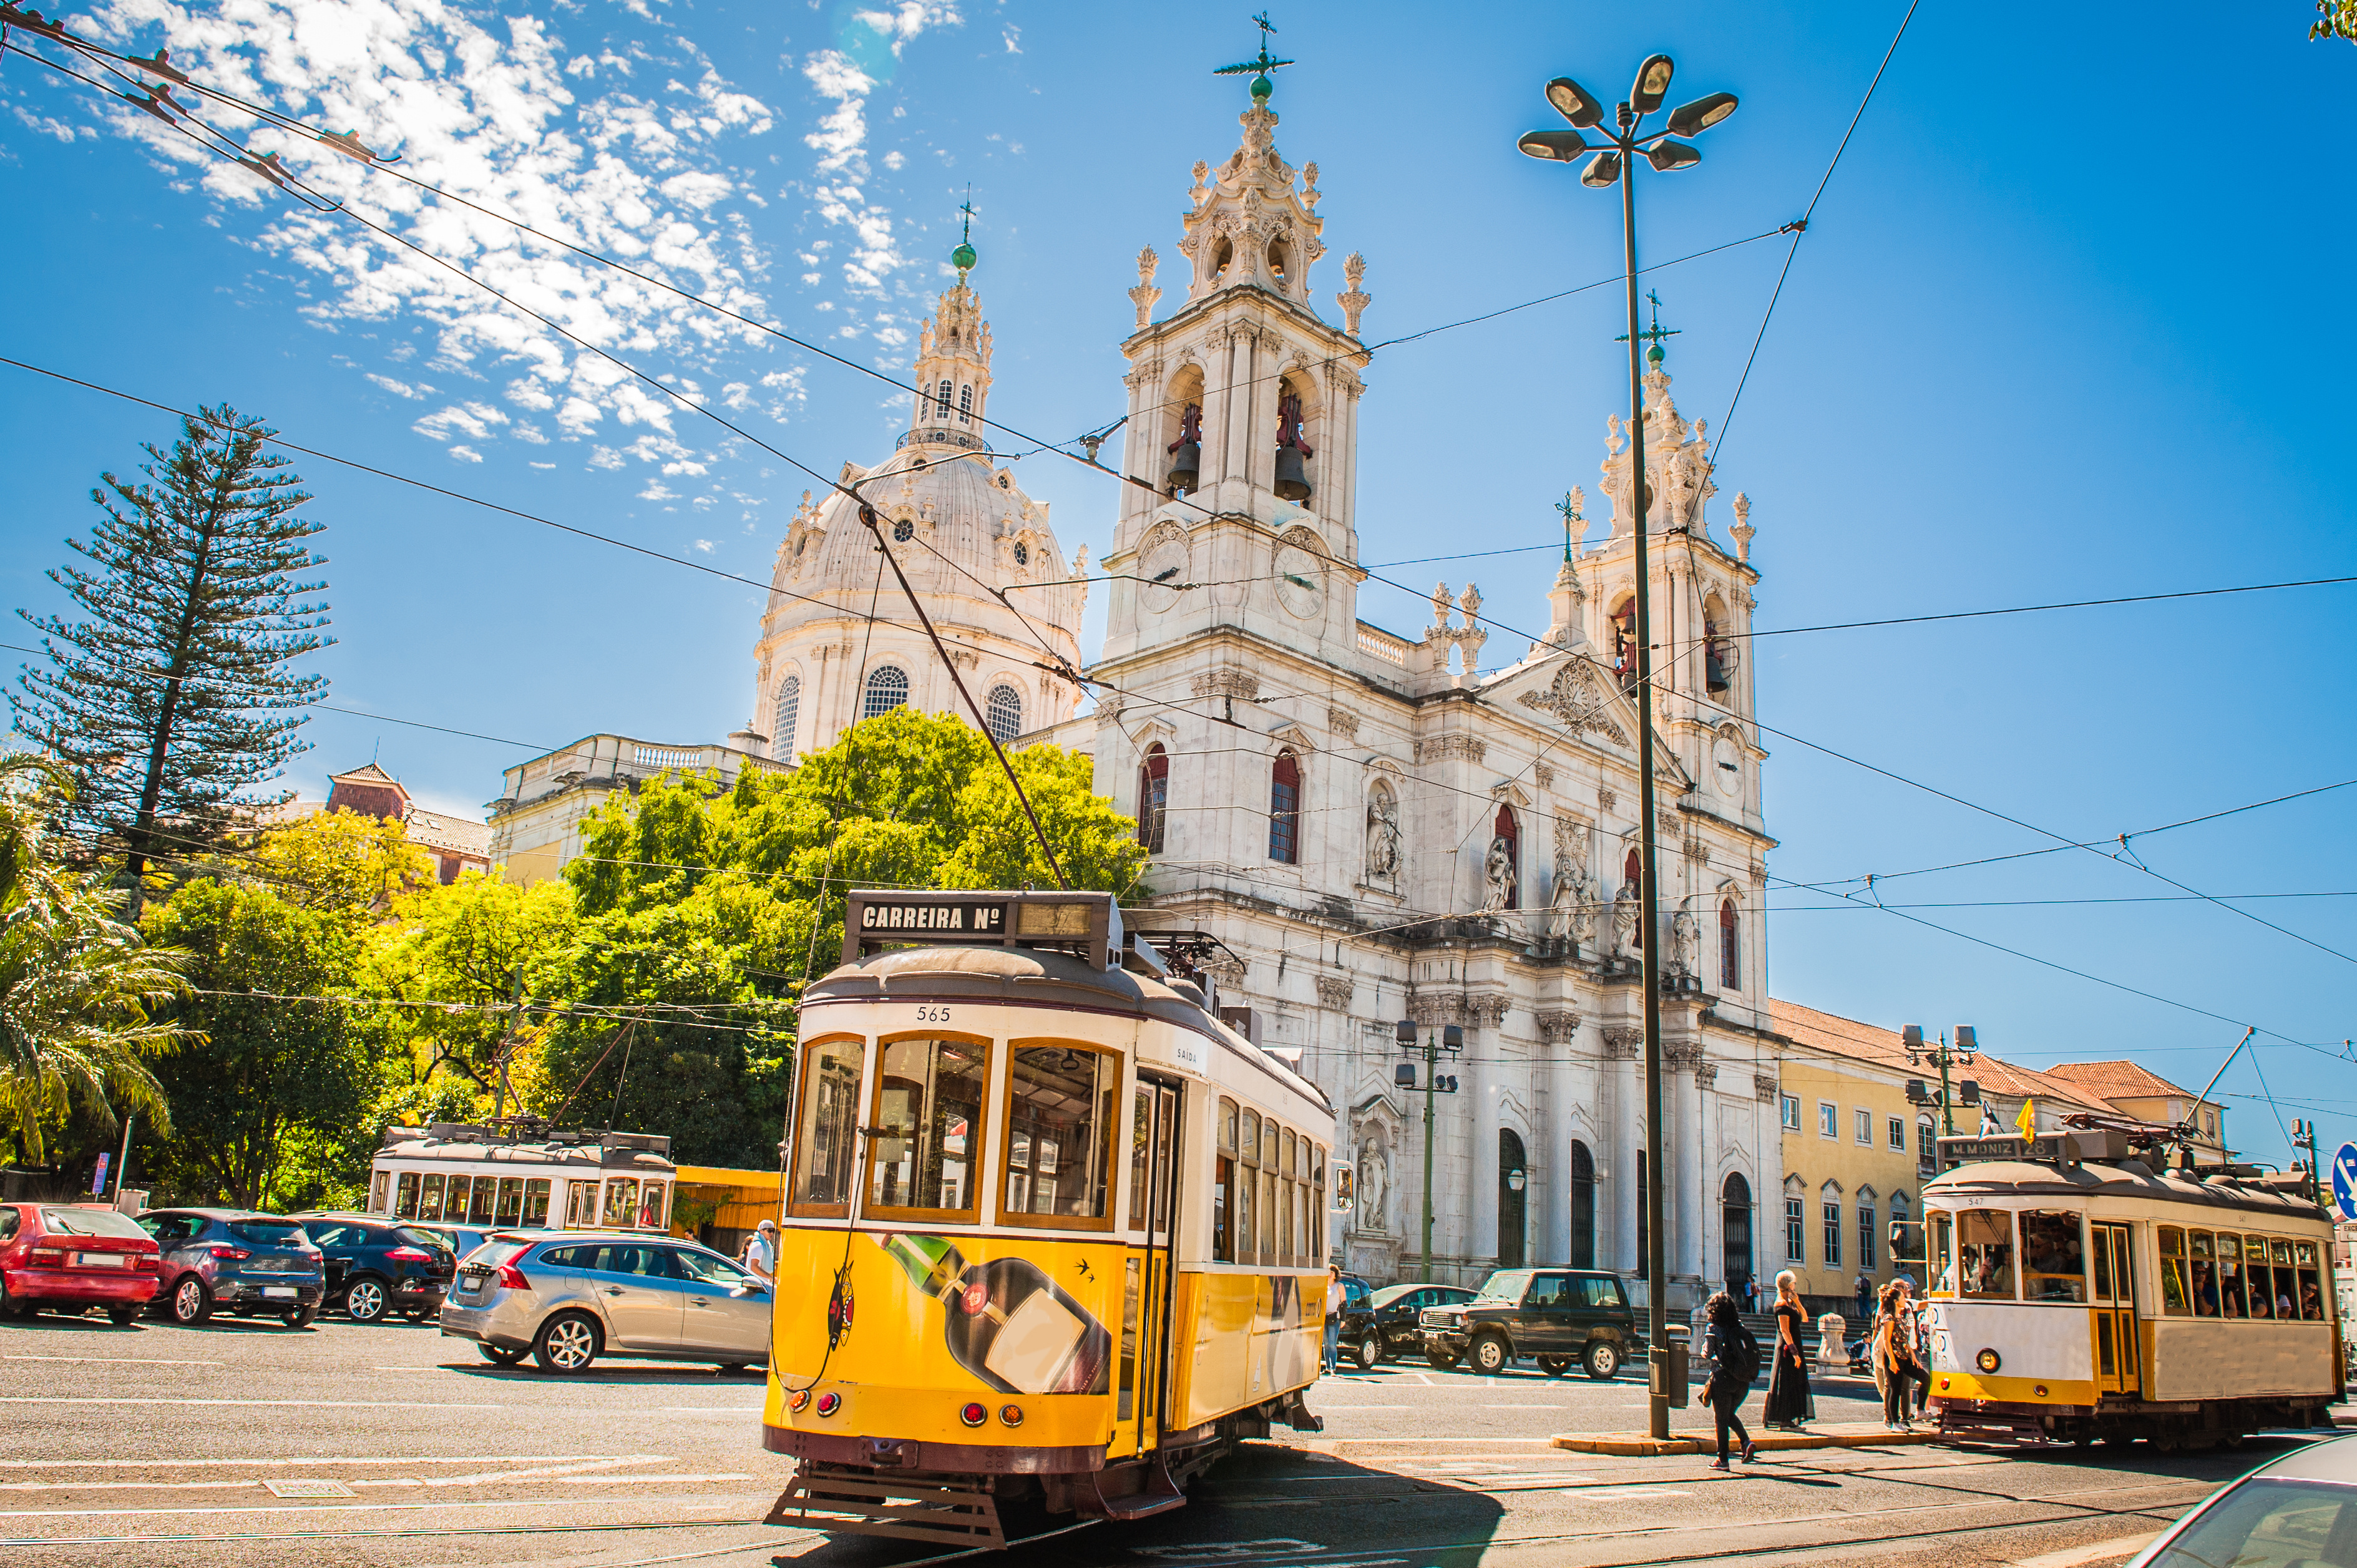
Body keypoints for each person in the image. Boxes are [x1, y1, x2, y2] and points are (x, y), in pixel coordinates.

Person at [1701, 1290, 1757, 1469]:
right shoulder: (1738, 1326)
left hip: (1723, 1378)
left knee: (1721, 1419)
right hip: (1742, 1380)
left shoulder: (1713, 1328)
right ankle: (1746, 1443)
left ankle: (1722, 1459)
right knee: (1728, 1415)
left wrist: (1704, 1349)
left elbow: (1708, 1353)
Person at [1764, 1270, 1814, 1431]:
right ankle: (1784, 1420)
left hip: (1793, 1345)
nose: (1795, 1286)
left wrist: (1798, 1303)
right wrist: (1795, 1354)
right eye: (1794, 1283)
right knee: (1785, 1382)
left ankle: (1789, 1418)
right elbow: (1785, 1331)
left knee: (1793, 1381)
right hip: (1787, 1349)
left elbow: (1805, 1318)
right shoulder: (1781, 1305)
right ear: (1789, 1285)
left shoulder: (1790, 1303)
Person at [1876, 1281, 1925, 1432]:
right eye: (1903, 1298)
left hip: (1905, 1357)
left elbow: (1904, 1340)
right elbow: (1886, 1340)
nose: (1906, 1300)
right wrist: (1891, 1360)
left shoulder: (1901, 1318)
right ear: (1896, 1302)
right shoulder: (1889, 1318)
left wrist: (1913, 1357)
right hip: (1894, 1357)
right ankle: (1894, 1422)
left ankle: (1919, 1410)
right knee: (1895, 1389)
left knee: (1926, 1378)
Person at [1322, 1265, 1346, 1375]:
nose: (1330, 1274)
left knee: (1332, 1344)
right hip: (1324, 1317)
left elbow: (1344, 1303)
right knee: (1326, 1344)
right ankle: (1327, 1367)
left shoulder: (1339, 1286)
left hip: (1334, 1318)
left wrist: (1343, 1319)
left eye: (1333, 1272)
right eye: (1329, 1272)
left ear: (1336, 1275)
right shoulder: (1324, 1285)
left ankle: (1333, 1368)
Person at [742, 1219, 778, 1287]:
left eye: (773, 1231)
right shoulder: (759, 1245)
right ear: (761, 1231)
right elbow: (754, 1267)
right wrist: (770, 1278)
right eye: (769, 1231)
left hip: (760, 1284)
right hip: (754, 1285)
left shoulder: (766, 1245)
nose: (772, 1233)